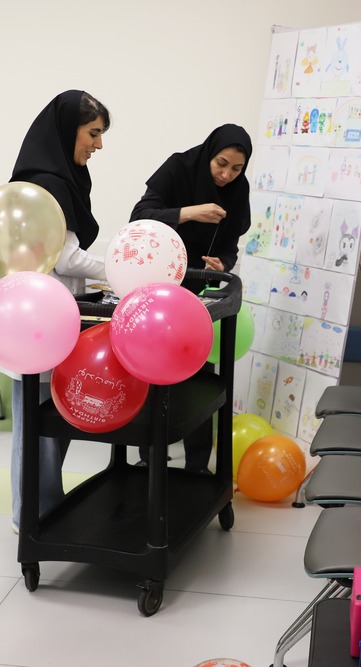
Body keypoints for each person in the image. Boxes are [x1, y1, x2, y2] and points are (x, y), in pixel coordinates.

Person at [6, 90, 110, 532]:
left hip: (50, 318)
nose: (98, 145)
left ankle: (43, 506)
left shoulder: (58, 177)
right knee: (39, 427)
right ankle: (33, 515)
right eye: (93, 133)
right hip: (39, 323)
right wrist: (120, 270)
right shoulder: (49, 183)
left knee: (48, 423)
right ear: (68, 131)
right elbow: (65, 258)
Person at [130, 124, 252, 472]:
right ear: (209, 153)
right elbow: (140, 217)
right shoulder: (179, 167)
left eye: (237, 168)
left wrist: (222, 264)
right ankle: (149, 456)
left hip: (198, 294)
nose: (226, 175)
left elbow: (229, 246)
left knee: (199, 373)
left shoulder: (238, 189)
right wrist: (190, 212)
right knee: (153, 370)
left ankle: (197, 464)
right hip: (157, 286)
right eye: (221, 164)